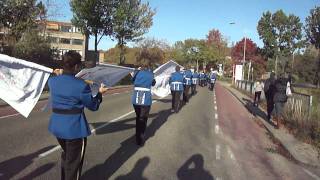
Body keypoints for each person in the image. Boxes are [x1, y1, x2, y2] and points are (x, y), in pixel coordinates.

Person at [48, 51, 107, 180]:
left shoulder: (52, 82)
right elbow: (93, 106)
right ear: (76, 67)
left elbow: (64, 84)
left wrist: (60, 75)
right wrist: (100, 93)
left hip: (57, 127)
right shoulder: (81, 85)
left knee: (67, 157)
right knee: (73, 164)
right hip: (74, 130)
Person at [131, 64, 156, 146]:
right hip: (146, 100)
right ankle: (140, 137)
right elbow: (153, 83)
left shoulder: (137, 73)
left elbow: (132, 81)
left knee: (138, 118)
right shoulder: (151, 74)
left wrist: (136, 72)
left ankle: (138, 136)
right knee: (143, 118)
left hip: (136, 99)